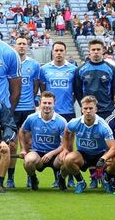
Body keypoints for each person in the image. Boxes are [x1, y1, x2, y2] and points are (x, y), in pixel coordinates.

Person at [60, 96, 115, 194]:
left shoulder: (103, 126)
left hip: (100, 154)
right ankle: (80, 182)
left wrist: (103, 158)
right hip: (83, 154)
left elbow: (113, 148)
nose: (88, 111)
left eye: (90, 108)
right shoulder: (75, 122)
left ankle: (107, 180)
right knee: (68, 159)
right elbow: (66, 132)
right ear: (81, 109)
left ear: (96, 109)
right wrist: (65, 148)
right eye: (85, 108)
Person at [39, 41, 77, 188]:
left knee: (69, 145)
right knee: (55, 144)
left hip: (67, 111)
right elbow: (44, 90)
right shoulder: (45, 69)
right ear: (52, 52)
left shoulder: (73, 69)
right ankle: (57, 177)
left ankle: (71, 175)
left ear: (65, 52)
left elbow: (75, 90)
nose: (59, 53)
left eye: (61, 50)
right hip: (52, 113)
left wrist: (68, 102)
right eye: (56, 50)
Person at [6, 36, 40, 188]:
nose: (21, 46)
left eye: (24, 44)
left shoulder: (34, 65)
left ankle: (29, 175)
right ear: (14, 46)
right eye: (19, 43)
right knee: (11, 144)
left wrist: (30, 102)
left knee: (28, 144)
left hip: (27, 109)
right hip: (12, 109)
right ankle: (10, 177)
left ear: (27, 46)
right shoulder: (9, 64)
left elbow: (35, 86)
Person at [20, 91, 67, 191]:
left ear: (54, 103)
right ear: (40, 103)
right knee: (28, 161)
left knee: (66, 159)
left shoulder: (61, 121)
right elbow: (22, 131)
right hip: (38, 153)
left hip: (55, 155)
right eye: (44, 103)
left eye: (49, 103)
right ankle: (33, 179)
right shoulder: (32, 118)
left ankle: (61, 179)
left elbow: (65, 144)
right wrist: (24, 149)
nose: (47, 106)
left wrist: (51, 153)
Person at [73, 39, 115, 119]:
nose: (96, 52)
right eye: (93, 49)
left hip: (106, 111)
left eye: (98, 49)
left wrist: (111, 106)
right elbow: (77, 91)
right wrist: (84, 105)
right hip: (88, 110)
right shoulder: (80, 70)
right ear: (89, 51)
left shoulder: (112, 70)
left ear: (103, 50)